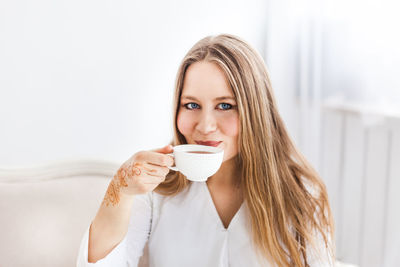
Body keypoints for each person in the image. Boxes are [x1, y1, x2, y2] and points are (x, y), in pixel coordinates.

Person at [77, 34, 335, 267]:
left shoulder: (300, 194)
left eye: (225, 106)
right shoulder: (155, 193)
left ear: (256, 112)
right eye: (191, 105)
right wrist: (119, 190)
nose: (205, 126)